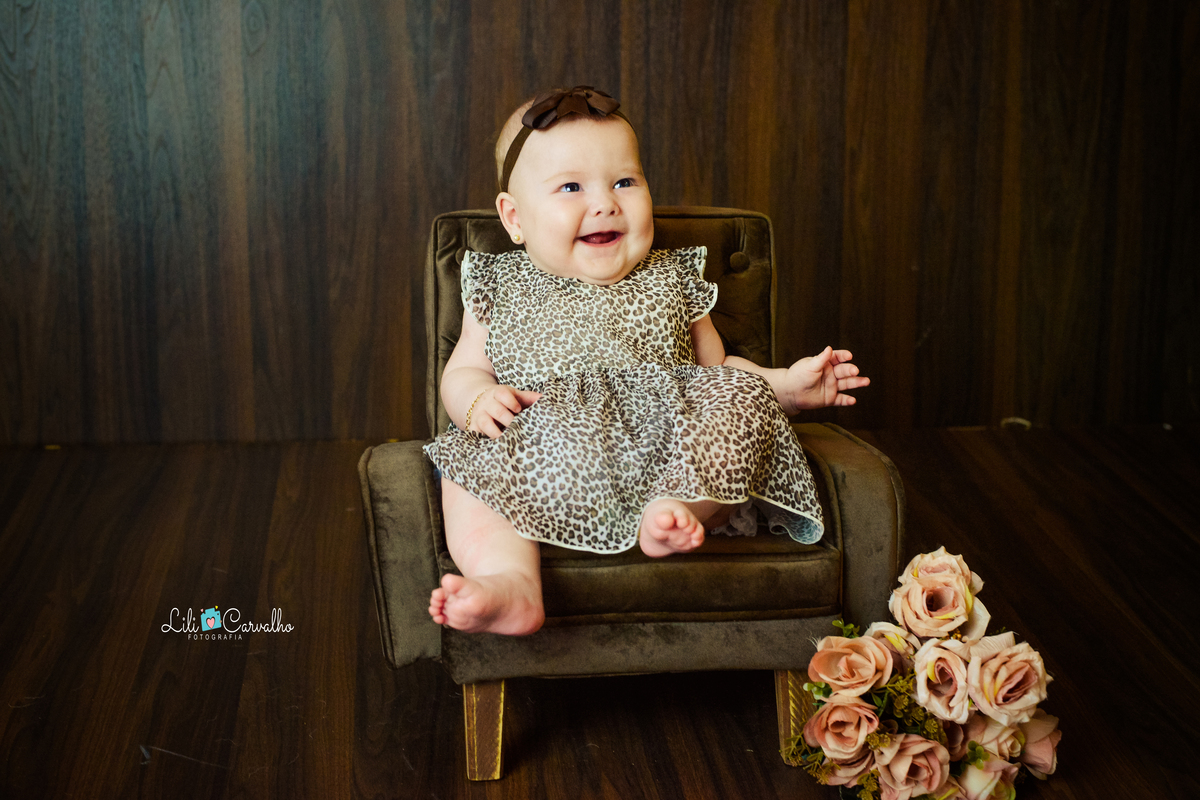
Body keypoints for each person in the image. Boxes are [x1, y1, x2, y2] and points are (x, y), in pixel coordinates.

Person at [424, 86, 868, 636]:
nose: (606, 202)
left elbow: (719, 369)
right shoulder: (498, 284)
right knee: (467, 463)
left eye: (625, 182)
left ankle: (671, 513)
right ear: (514, 218)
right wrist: (475, 399)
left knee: (739, 404)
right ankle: (510, 581)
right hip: (548, 451)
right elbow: (463, 371)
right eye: (570, 186)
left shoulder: (673, 277)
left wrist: (787, 387)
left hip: (669, 448)